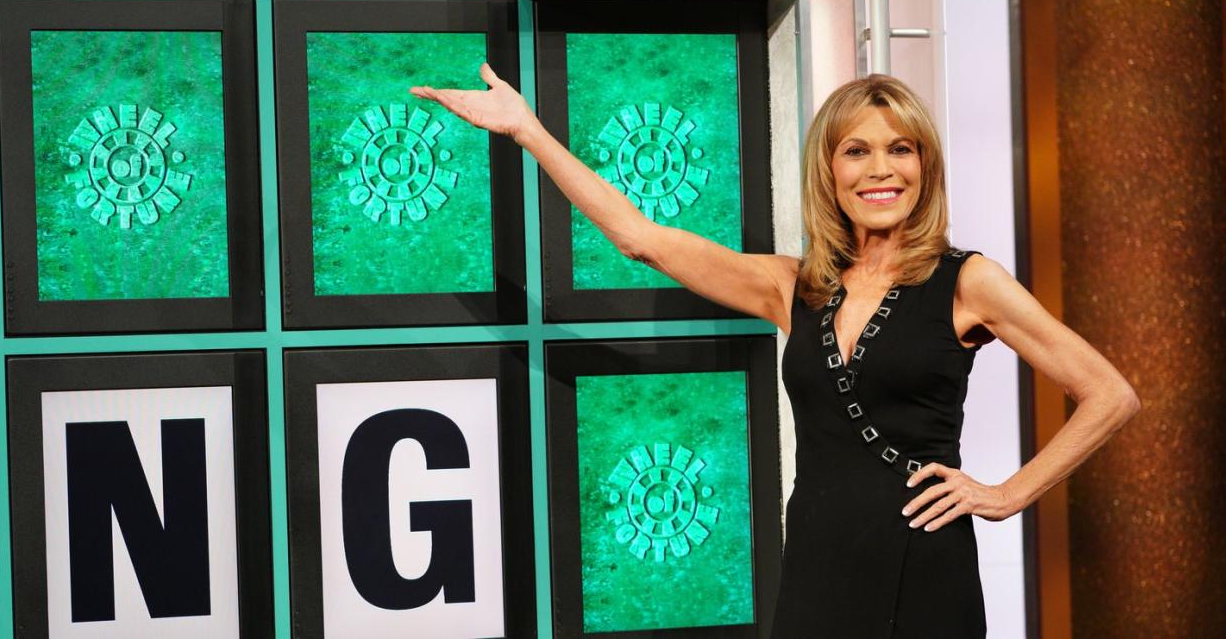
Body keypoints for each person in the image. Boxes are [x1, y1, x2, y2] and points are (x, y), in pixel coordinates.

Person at [411, 65, 1140, 637]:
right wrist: (529, 131)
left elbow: (1109, 393)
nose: (880, 170)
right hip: (818, 564)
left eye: (900, 149)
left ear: (925, 166)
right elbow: (641, 238)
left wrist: (1006, 494)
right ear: (829, 170)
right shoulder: (793, 285)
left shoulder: (969, 281)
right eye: (857, 150)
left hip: (924, 566)